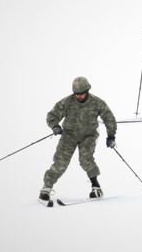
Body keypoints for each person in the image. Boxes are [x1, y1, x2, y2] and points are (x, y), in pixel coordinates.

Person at [40, 76, 118, 205]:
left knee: (85, 159)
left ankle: (96, 186)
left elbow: (109, 119)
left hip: (89, 136)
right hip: (69, 135)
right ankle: (46, 188)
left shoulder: (97, 102)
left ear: (87, 90)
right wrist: (55, 126)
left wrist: (111, 136)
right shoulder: (66, 102)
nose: (80, 96)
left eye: (82, 94)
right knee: (61, 162)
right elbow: (52, 115)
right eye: (77, 94)